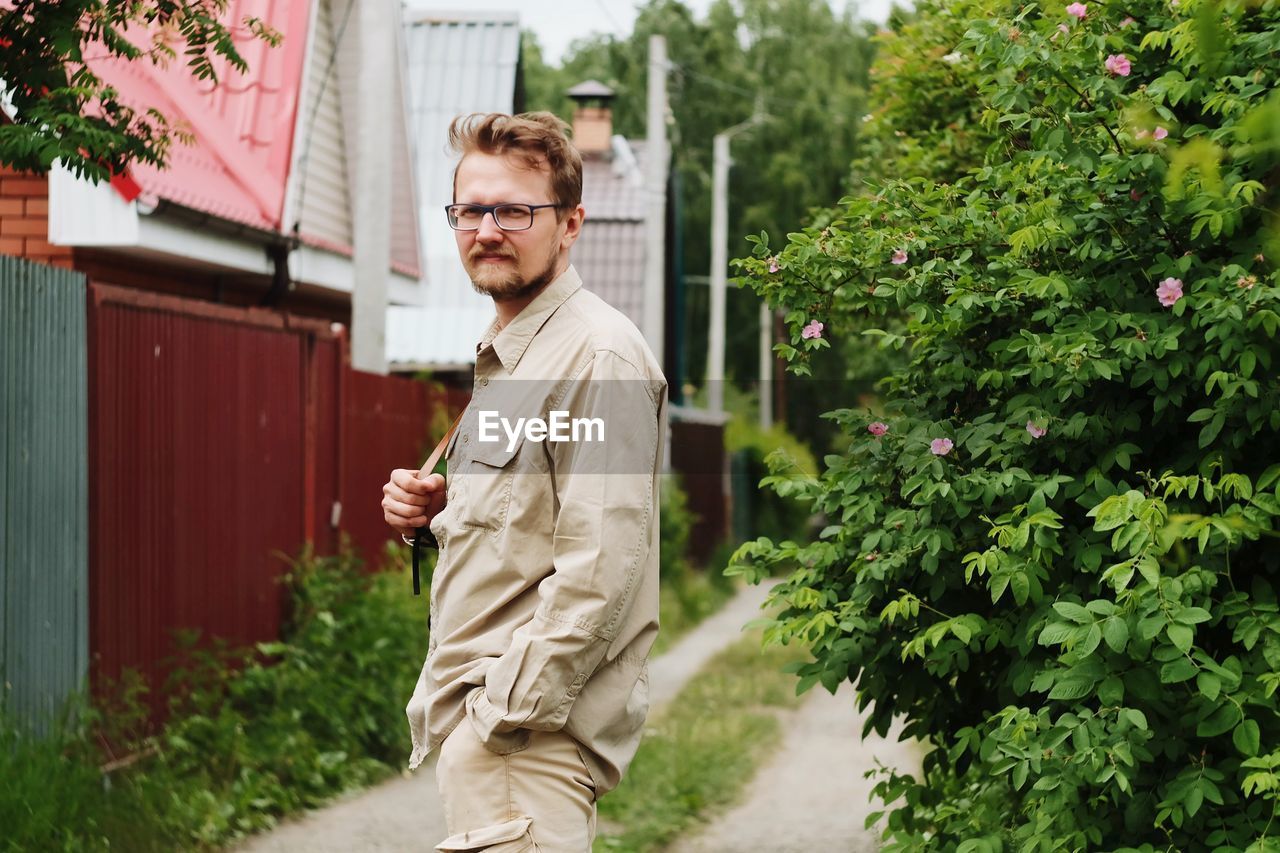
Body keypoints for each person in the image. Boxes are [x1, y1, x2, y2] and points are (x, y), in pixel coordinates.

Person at [380, 112, 666, 852]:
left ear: (570, 224)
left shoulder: (596, 358)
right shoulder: (516, 354)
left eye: (515, 210)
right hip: (500, 746)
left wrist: (502, 708)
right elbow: (538, 509)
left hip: (522, 744)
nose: (488, 229)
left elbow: (601, 565)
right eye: (471, 210)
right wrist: (440, 509)